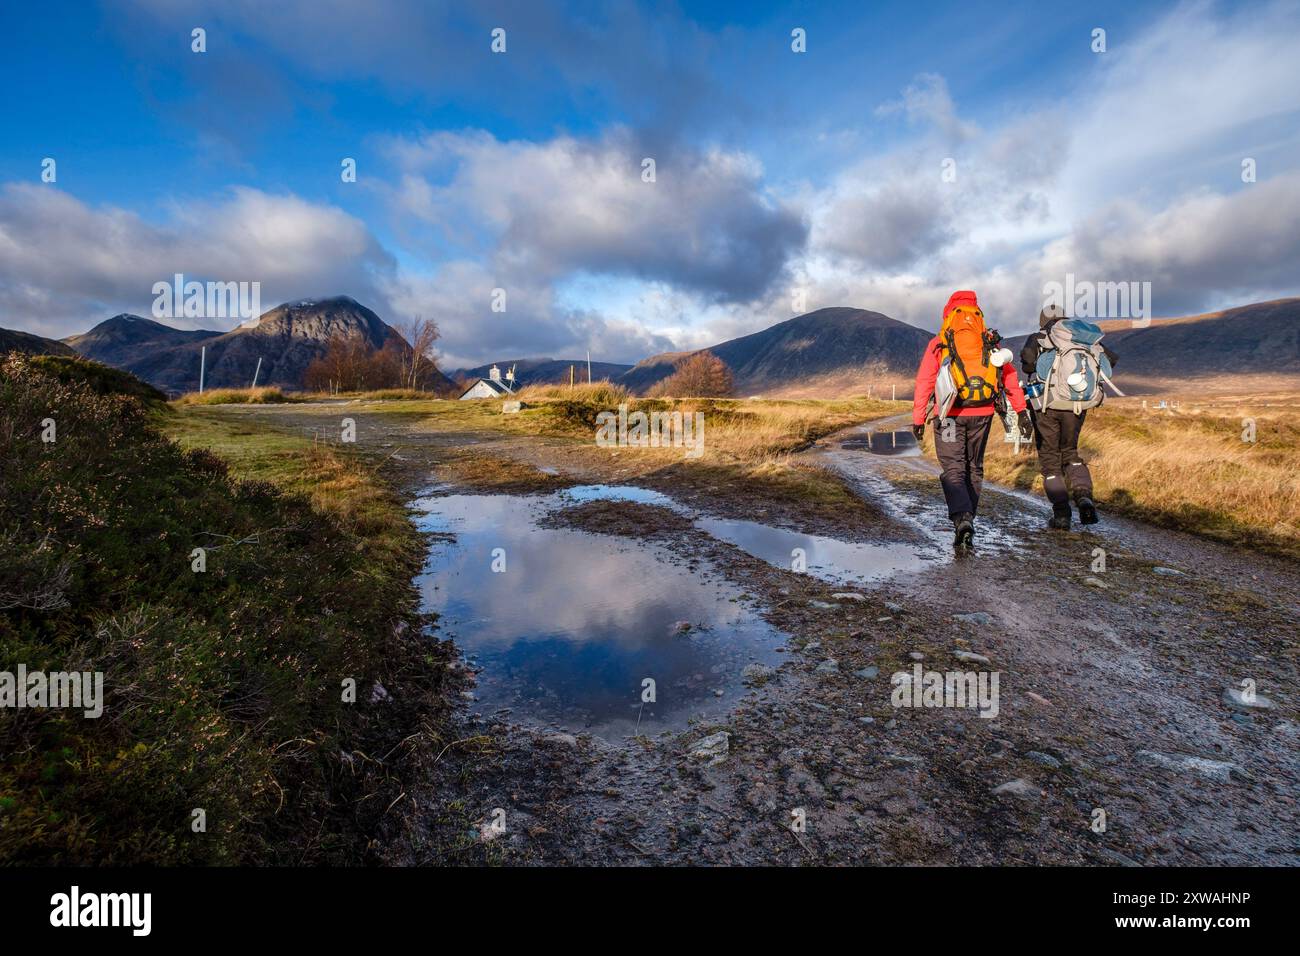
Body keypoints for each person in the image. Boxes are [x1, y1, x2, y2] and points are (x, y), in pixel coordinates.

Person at [912, 290, 1030, 548]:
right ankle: (969, 519)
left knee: (953, 467)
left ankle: (962, 519)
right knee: (973, 467)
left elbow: (925, 381)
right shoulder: (989, 341)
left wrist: (918, 418)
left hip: (950, 416)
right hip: (983, 414)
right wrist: (1020, 411)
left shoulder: (940, 342)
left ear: (948, 313)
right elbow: (1009, 377)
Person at [1020, 304, 1119, 529]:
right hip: (1077, 406)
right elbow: (1109, 362)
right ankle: (1084, 497)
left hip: (1047, 405)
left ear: (1043, 319)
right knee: (1071, 454)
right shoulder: (1083, 337)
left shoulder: (1040, 336)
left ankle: (1062, 515)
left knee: (1050, 460)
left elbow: (1027, 366)